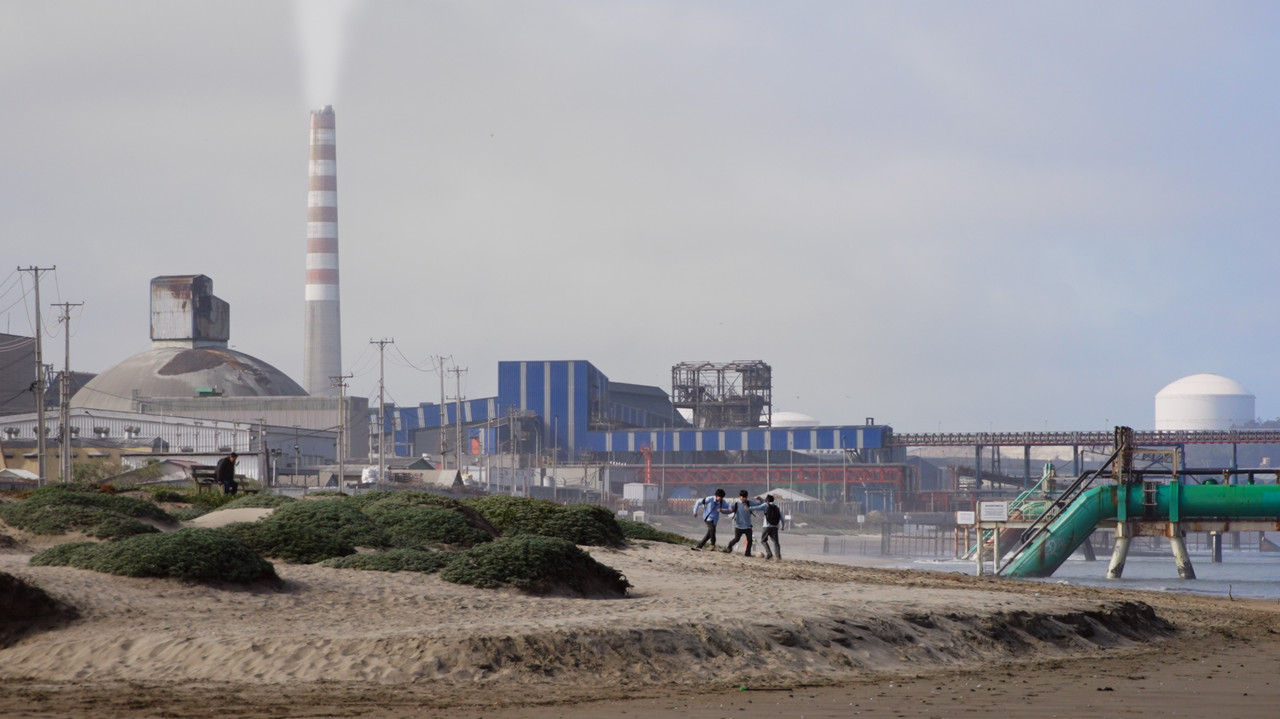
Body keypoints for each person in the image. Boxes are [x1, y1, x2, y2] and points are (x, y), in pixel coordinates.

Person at [721, 490, 764, 556]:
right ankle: (729, 547)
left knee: (750, 540)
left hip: (748, 526)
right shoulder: (736, 504)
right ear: (740, 497)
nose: (744, 498)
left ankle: (747, 553)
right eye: (742, 497)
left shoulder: (749, 503)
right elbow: (729, 511)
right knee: (736, 539)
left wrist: (760, 499)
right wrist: (722, 511)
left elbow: (760, 504)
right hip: (738, 526)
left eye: (745, 497)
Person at [758, 494, 783, 560]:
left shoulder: (766, 505)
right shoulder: (777, 508)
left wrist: (749, 508)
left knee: (763, 541)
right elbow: (782, 518)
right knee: (776, 542)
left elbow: (758, 507)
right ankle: (778, 556)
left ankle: (769, 553)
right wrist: (782, 526)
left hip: (766, 526)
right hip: (775, 527)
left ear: (767, 500)